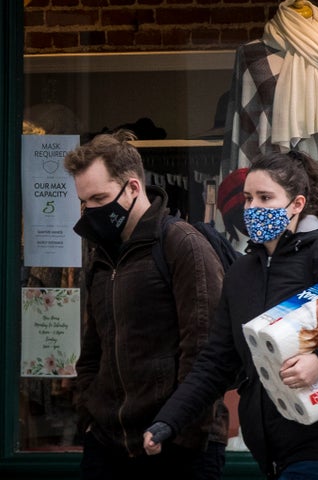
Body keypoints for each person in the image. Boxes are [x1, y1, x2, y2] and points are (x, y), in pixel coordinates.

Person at [144, 150, 318, 480]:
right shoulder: (240, 274)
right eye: (248, 198)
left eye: (265, 197)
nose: (253, 208)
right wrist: (167, 421)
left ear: (297, 204)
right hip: (269, 453)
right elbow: (216, 362)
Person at [64, 130, 228, 480]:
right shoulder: (102, 256)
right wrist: (89, 413)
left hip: (176, 446)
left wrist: (179, 430)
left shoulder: (181, 244)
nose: (89, 211)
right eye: (83, 202)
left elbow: (204, 349)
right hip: (108, 445)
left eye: (98, 198)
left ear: (133, 188)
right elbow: (93, 346)